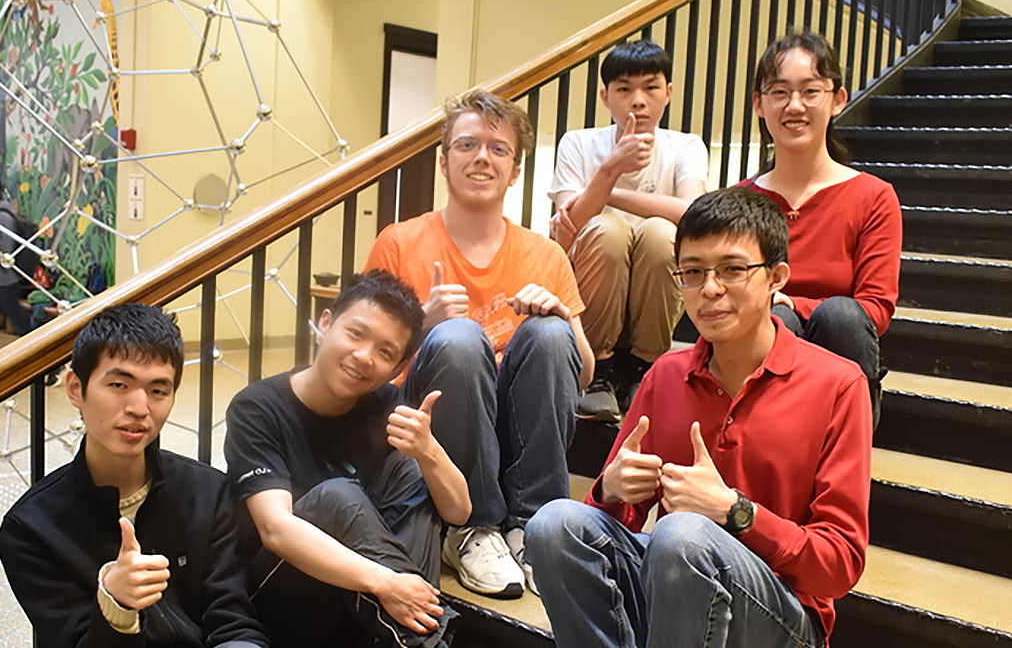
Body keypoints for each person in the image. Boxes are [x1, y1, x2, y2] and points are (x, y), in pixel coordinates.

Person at [526, 188, 872, 648]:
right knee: (553, 526)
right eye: (692, 272)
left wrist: (737, 512)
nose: (709, 289)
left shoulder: (838, 384)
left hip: (785, 615)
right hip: (679, 597)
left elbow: (839, 566)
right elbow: (609, 523)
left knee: (682, 535)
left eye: (732, 269)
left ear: (776, 277)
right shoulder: (667, 374)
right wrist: (611, 489)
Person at [364, 89, 594, 599]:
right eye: (467, 145)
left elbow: (583, 377)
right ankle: (474, 529)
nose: (482, 158)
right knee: (459, 337)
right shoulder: (398, 242)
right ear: (444, 162)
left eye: (499, 148)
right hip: (433, 434)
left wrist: (563, 319)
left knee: (552, 333)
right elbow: (358, 369)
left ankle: (533, 528)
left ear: (515, 170)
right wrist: (422, 326)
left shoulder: (546, 254)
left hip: (516, 433)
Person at [0, 303, 268, 648]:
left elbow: (233, 621)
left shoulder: (208, 492)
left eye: (158, 391)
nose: (140, 408)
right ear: (76, 389)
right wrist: (116, 604)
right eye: (119, 385)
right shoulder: (32, 527)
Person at [224, 271, 467, 648]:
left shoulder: (385, 405)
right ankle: (425, 640)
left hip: (356, 601)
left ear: (398, 368)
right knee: (336, 497)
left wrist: (428, 450)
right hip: (277, 595)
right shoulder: (257, 408)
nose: (363, 357)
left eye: (385, 352)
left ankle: (414, 637)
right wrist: (387, 582)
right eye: (355, 333)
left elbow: (458, 512)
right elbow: (275, 529)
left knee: (409, 468)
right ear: (325, 323)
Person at [740, 32, 902, 427]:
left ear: (838, 99)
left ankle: (841, 442)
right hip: (763, 363)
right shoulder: (741, 201)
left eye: (810, 91)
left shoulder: (873, 196)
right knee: (776, 323)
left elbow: (876, 308)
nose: (795, 106)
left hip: (841, 370)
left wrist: (795, 304)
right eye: (779, 92)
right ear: (759, 104)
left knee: (840, 315)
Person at [548, 39, 709, 422]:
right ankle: (599, 373)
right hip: (592, 304)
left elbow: (690, 213)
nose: (638, 100)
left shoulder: (686, 146)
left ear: (668, 93)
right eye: (624, 89)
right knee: (607, 229)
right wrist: (610, 167)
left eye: (651, 87)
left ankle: (643, 369)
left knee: (659, 233)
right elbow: (567, 233)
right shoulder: (579, 143)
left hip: (652, 300)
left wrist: (607, 191)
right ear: (605, 96)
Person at [0, 174, 34, 336]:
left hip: (4, 281)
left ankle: (35, 347)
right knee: (18, 319)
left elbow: (6, 248)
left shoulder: (3, 216)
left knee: (19, 322)